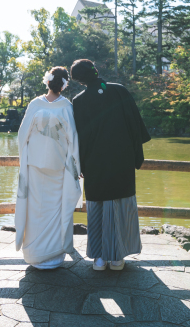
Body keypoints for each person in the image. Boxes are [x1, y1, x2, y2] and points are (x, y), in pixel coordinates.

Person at [70, 59, 151, 271]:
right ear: (96, 71)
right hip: (121, 160)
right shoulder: (119, 91)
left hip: (95, 163)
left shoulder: (78, 101)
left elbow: (78, 138)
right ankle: (117, 257)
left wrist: (80, 165)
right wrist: (136, 156)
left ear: (79, 81)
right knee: (121, 205)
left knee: (97, 208)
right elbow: (135, 127)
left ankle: (98, 258)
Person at [14, 66, 83, 269]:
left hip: (34, 165)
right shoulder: (66, 106)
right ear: (63, 84)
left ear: (48, 82)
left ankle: (34, 253)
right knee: (56, 209)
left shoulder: (35, 104)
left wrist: (25, 159)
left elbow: (22, 135)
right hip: (58, 166)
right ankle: (53, 254)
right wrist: (75, 166)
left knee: (35, 210)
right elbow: (73, 140)